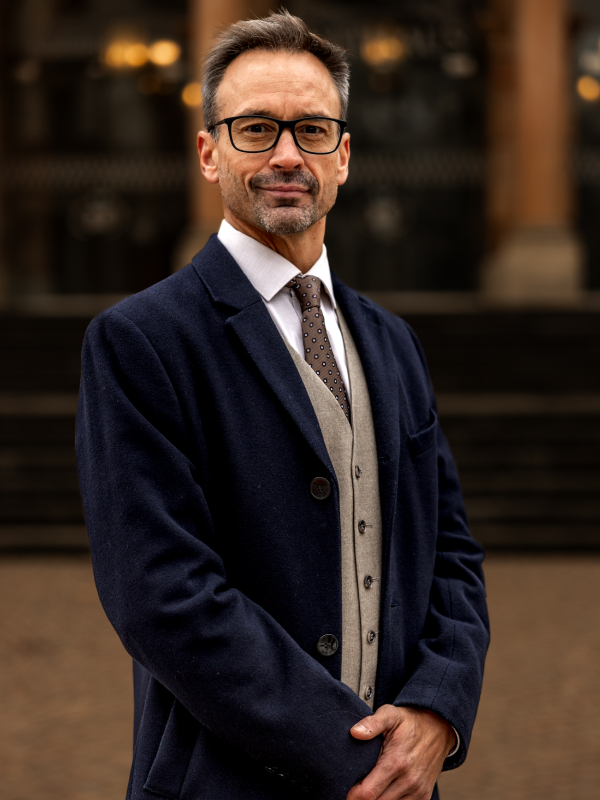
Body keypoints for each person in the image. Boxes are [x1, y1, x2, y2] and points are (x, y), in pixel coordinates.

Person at [76, 11, 489, 800]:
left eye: (312, 130)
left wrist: (438, 710)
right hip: (227, 782)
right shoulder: (140, 340)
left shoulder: (393, 341)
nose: (288, 155)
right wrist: (356, 755)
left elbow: (454, 559)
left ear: (345, 156)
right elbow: (162, 599)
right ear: (209, 152)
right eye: (257, 129)